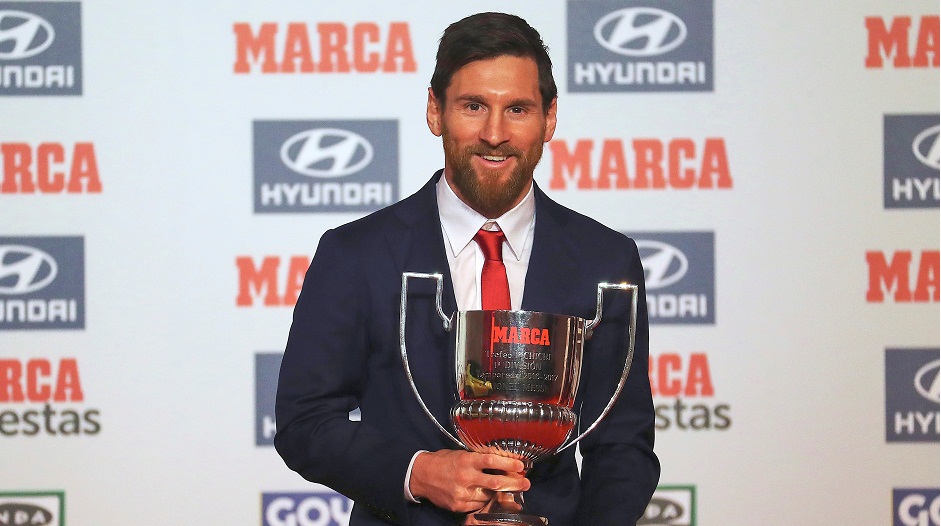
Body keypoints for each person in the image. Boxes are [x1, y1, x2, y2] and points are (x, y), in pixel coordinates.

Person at [275, 12, 659, 525]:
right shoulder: (356, 254)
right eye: (473, 106)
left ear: (549, 118)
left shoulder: (605, 259)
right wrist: (416, 472)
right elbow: (304, 422)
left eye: (517, 109)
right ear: (435, 111)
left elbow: (622, 444)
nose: (494, 134)